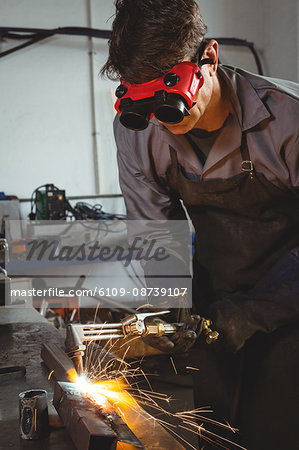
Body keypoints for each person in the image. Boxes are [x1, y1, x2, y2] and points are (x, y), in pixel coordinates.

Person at [101, 1, 299, 448]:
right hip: (214, 298)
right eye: (143, 107)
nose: (157, 122)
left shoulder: (288, 120)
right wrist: (169, 316)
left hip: (292, 295)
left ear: (208, 58)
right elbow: (156, 233)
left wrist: (254, 311)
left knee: (278, 425)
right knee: (217, 427)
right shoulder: (139, 131)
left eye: (167, 105)